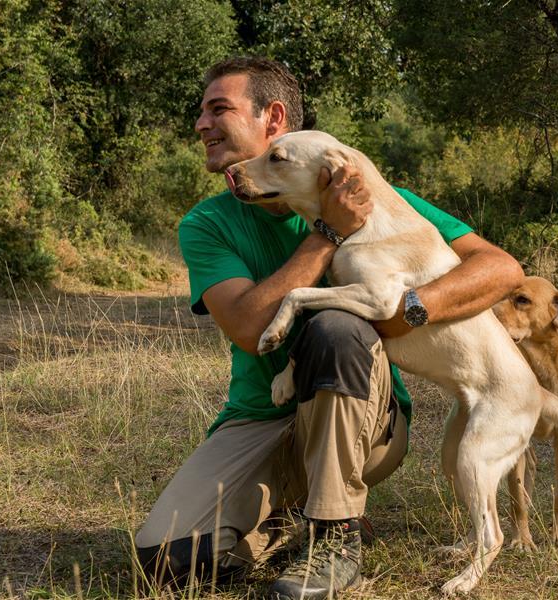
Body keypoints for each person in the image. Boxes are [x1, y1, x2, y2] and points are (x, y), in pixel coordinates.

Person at [134, 56, 523, 599]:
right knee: (166, 561)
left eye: (218, 109)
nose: (201, 124)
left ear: (273, 117)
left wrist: (408, 309)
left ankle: (334, 537)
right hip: (260, 418)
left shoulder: (378, 198)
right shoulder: (207, 223)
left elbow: (503, 270)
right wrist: (328, 233)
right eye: (201, 111)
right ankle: (290, 522)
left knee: (339, 326)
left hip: (363, 420)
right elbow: (250, 326)